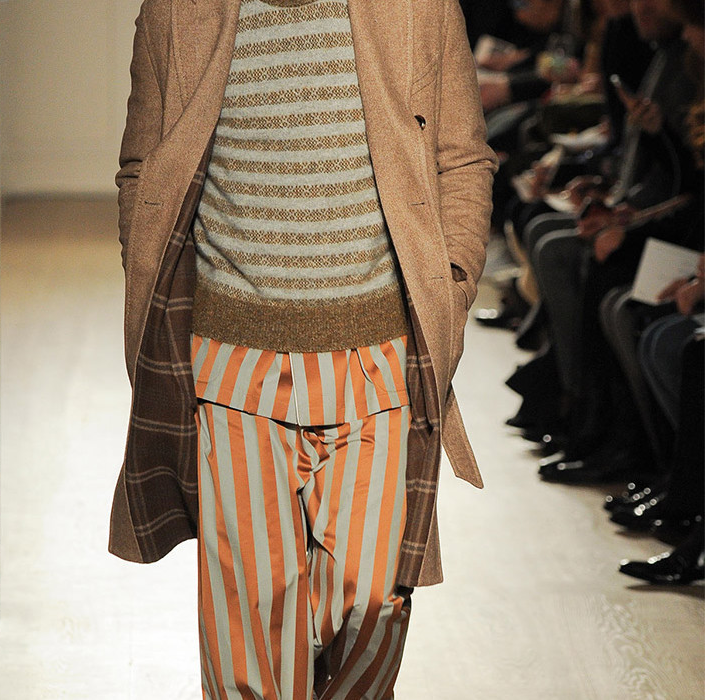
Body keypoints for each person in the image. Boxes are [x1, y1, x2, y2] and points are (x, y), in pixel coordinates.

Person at [107, 0, 497, 697]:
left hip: (379, 359)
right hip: (233, 363)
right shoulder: (177, 10)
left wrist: (452, 283)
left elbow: (461, 156)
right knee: (251, 628)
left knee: (373, 600)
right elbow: (143, 165)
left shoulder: (419, 7)